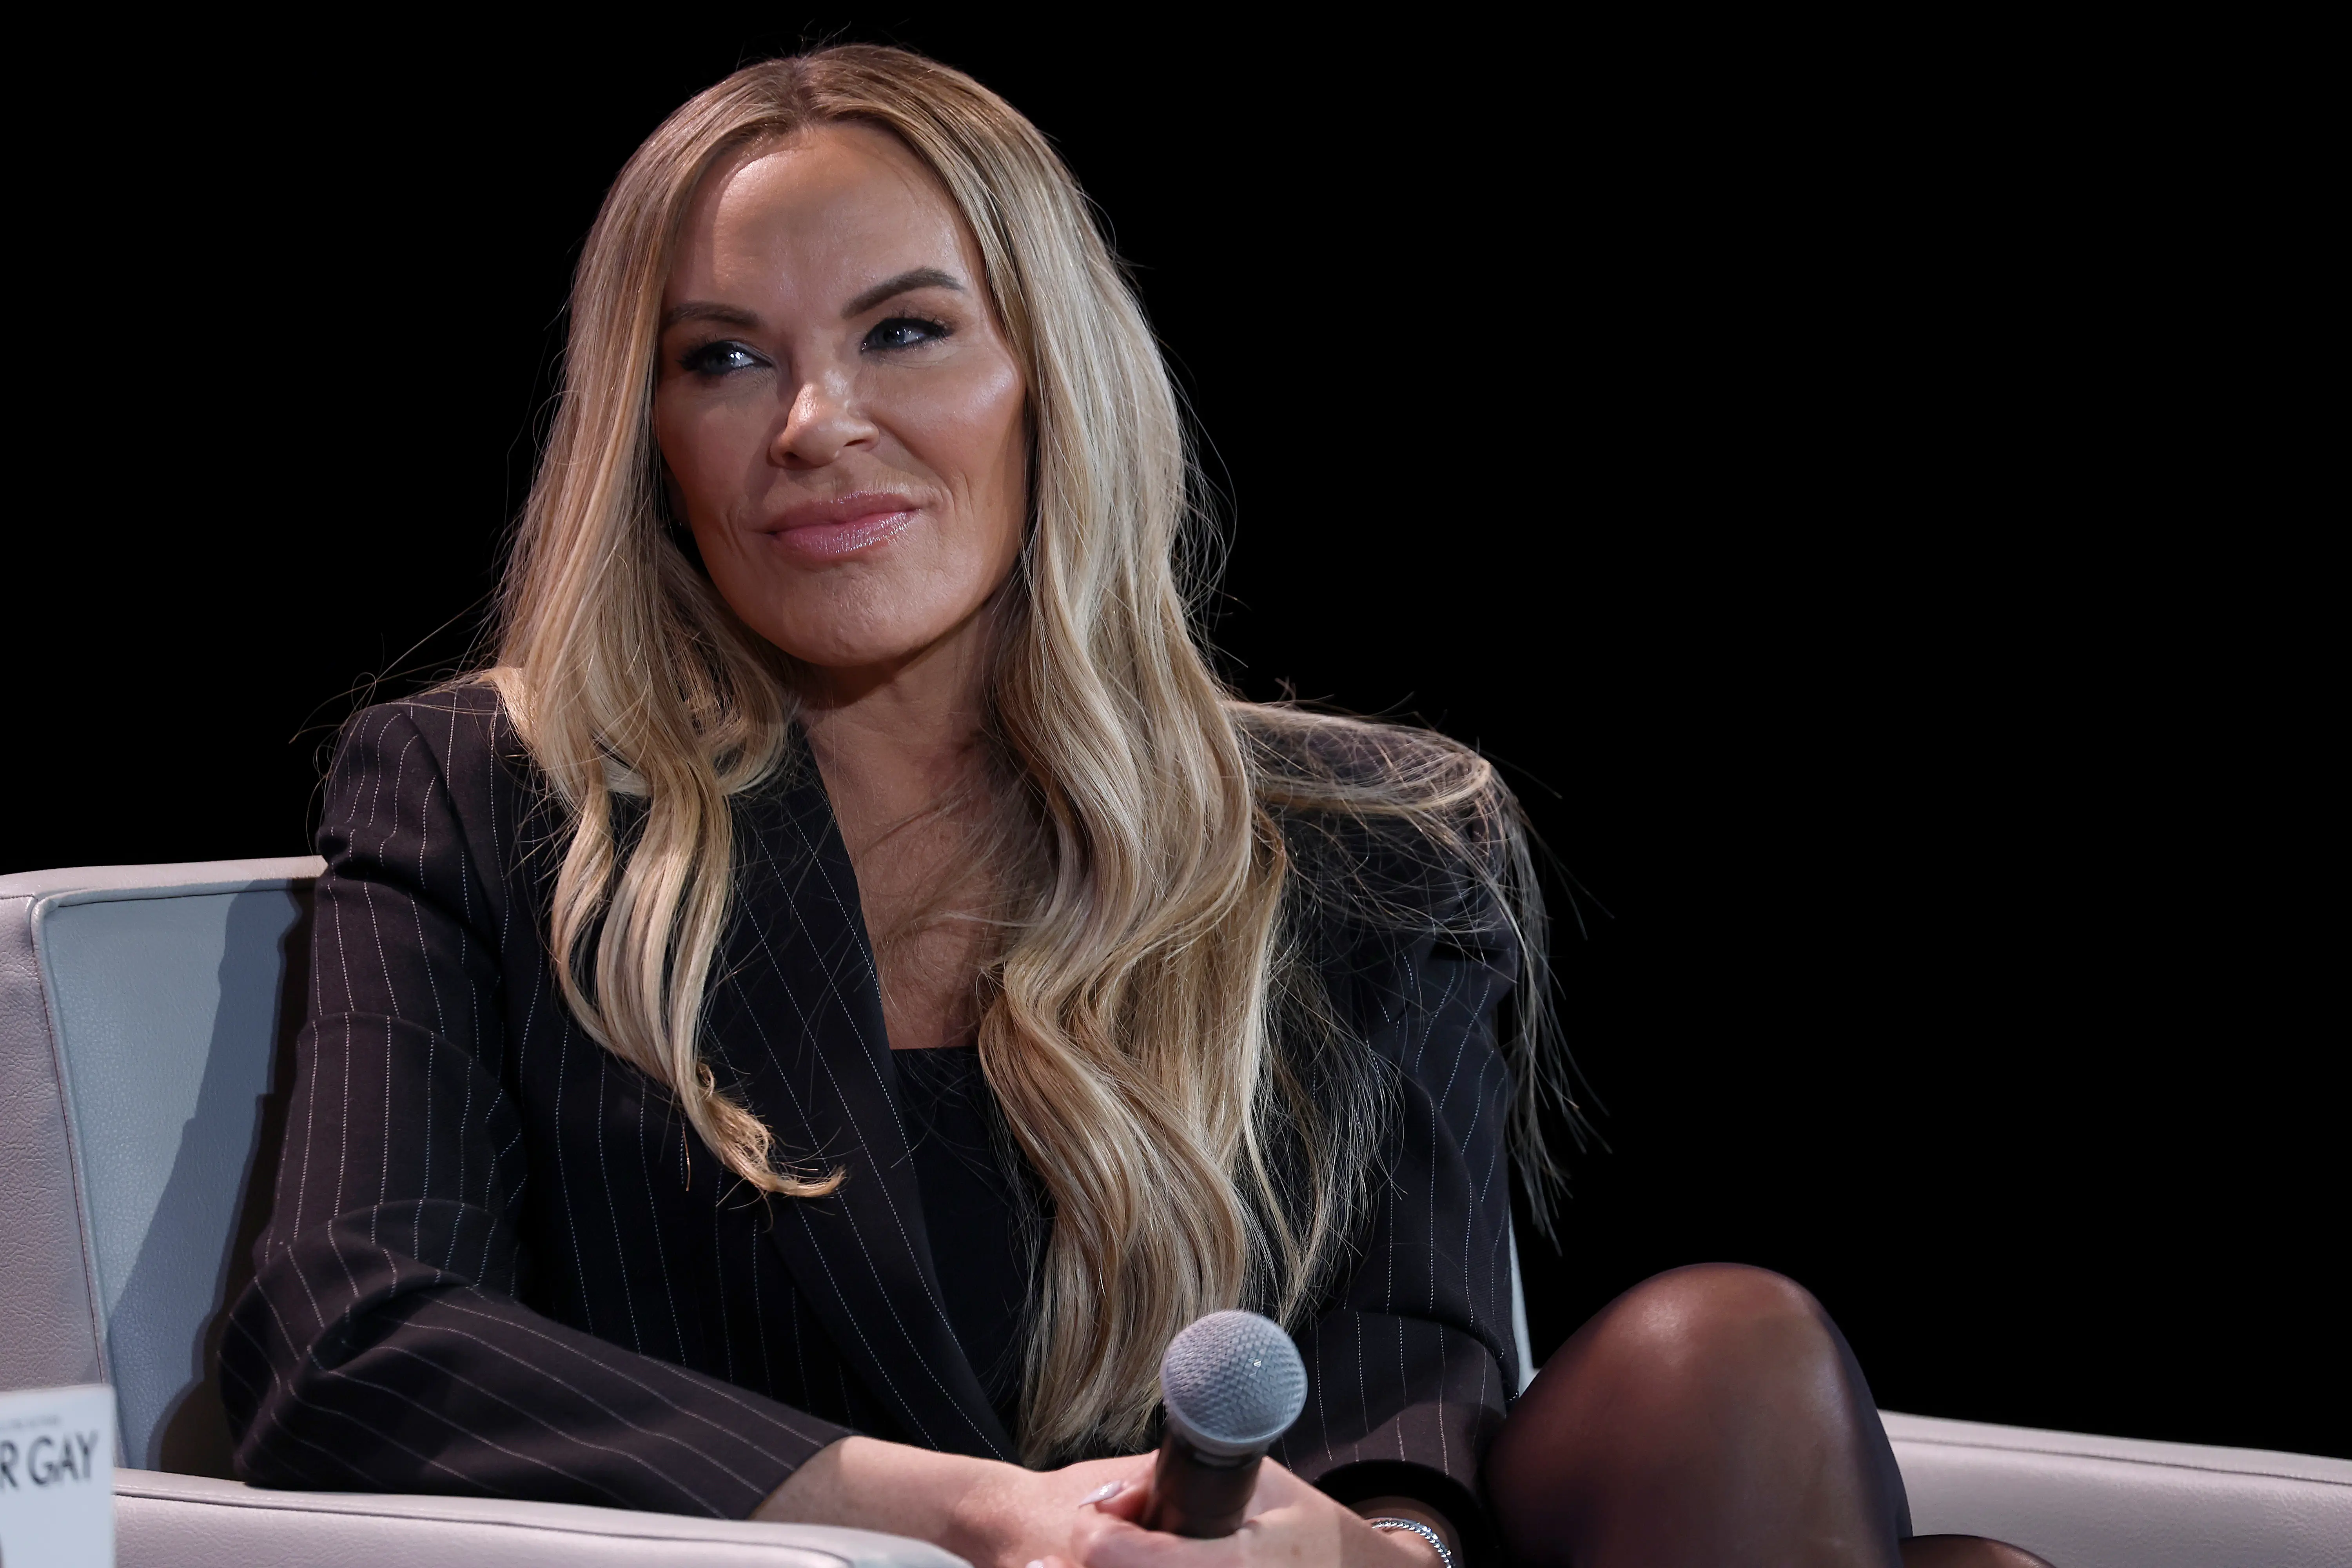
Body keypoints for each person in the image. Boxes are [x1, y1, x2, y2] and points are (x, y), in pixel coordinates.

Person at [219, 46, 2046, 1568]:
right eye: (723, 358)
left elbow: (1411, 1350)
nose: (813, 425)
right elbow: (359, 1340)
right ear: (648, 433)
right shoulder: (488, 791)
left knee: (1726, 1356)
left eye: (909, 330)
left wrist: (1359, 1538)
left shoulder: (1375, 844)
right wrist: (977, 1516)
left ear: (1049, 379)